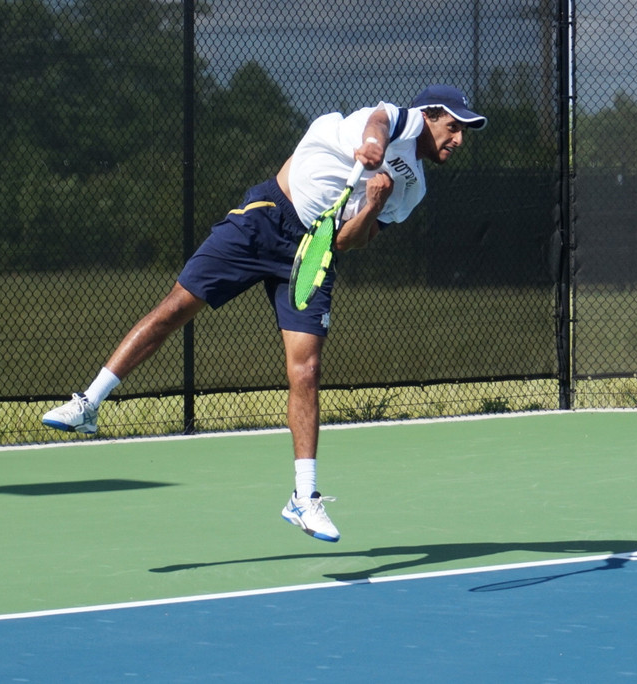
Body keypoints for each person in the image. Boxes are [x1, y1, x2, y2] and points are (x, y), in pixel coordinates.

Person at [41, 84, 487, 542]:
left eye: (463, 133)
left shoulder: (413, 187)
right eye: (452, 127)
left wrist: (373, 203)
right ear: (428, 116)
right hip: (266, 217)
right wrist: (373, 147)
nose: (457, 140)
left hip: (314, 248)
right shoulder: (395, 120)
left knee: (307, 369)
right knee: (175, 309)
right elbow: (378, 122)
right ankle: (88, 403)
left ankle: (304, 498)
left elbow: (346, 242)